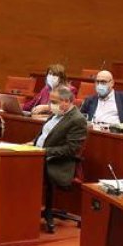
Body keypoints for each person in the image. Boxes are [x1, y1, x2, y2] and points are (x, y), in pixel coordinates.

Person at [31, 86, 88, 232]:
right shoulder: (55, 115)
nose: (51, 105)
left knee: (24, 170)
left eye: (54, 102)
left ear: (67, 101)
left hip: (58, 163)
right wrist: (31, 144)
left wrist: (43, 151)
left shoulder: (77, 120)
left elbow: (70, 149)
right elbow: (43, 137)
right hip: (39, 155)